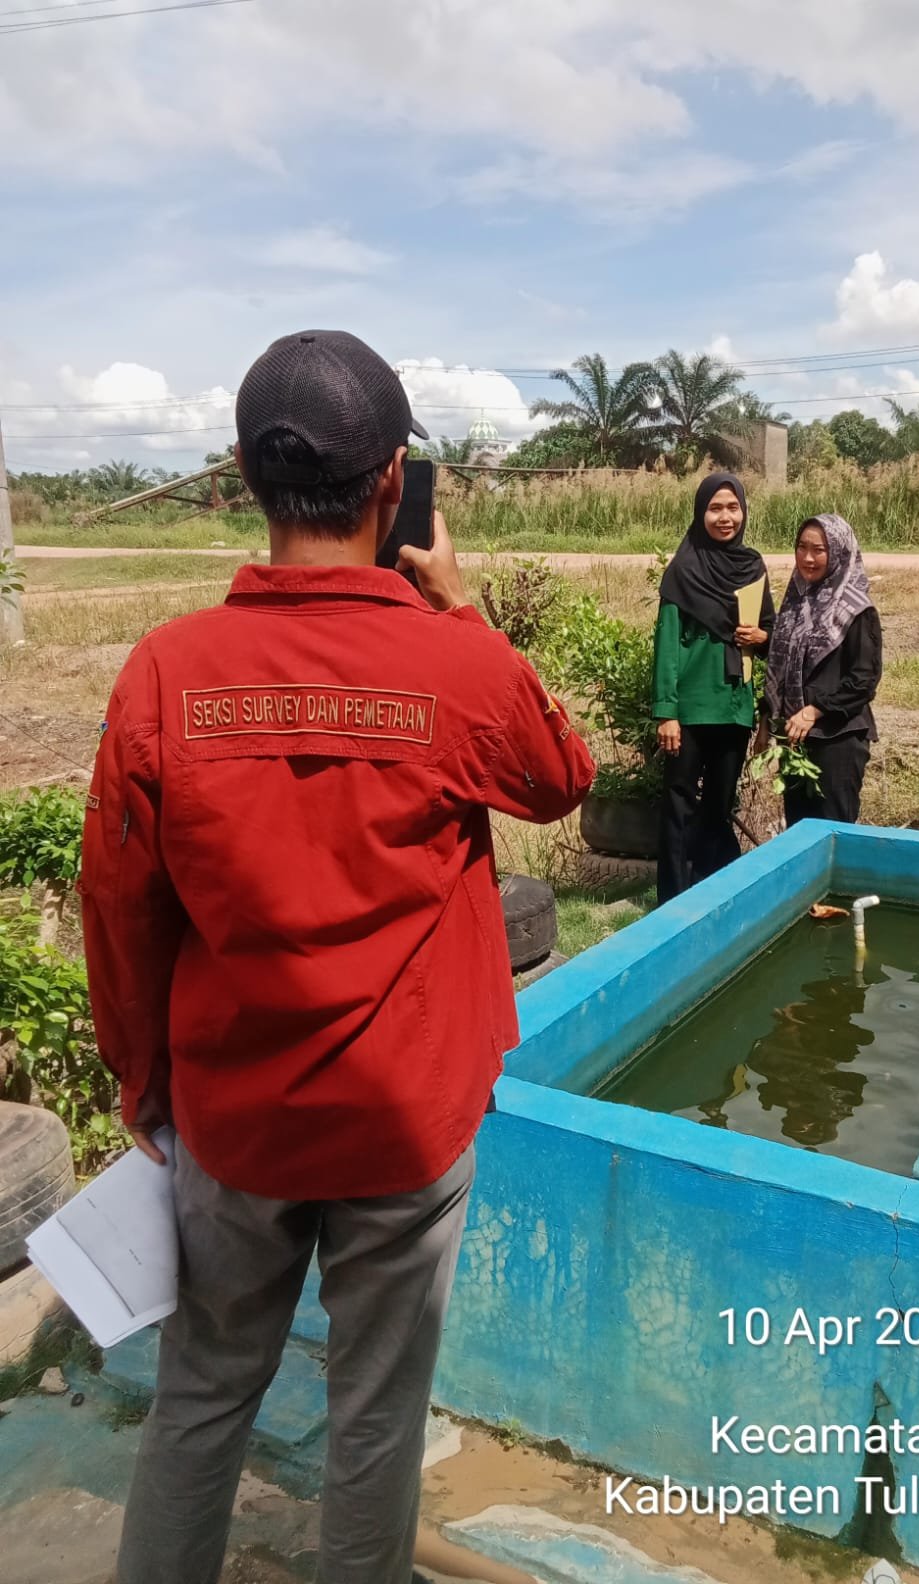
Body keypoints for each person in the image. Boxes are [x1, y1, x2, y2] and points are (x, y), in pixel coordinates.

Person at [78, 329, 595, 1584]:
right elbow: (560, 777)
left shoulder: (167, 672)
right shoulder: (454, 662)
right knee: (375, 1415)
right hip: (403, 1127)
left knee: (204, 1391)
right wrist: (461, 606)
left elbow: (119, 905)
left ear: (244, 480)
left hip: (235, 1124)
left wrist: (142, 1079)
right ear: (393, 483)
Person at [652, 471, 775, 903]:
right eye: (715, 508)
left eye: (733, 507)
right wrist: (666, 711)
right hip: (689, 708)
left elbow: (772, 633)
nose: (725, 517)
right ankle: (673, 899)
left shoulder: (753, 567)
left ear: (744, 511)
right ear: (700, 512)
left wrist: (761, 637)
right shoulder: (683, 571)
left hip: (734, 705)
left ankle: (712, 893)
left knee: (720, 805)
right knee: (679, 804)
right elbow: (667, 644)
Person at [764, 512, 882, 827]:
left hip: (837, 739)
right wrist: (768, 718)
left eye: (819, 550)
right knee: (799, 835)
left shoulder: (856, 608)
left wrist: (814, 711)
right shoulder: (796, 600)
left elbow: (864, 681)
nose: (808, 558)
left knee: (833, 832)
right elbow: (782, 664)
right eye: (801, 547)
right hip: (795, 738)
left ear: (839, 552)